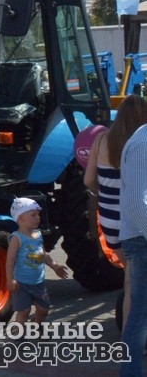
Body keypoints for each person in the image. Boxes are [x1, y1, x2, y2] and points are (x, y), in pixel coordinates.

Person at [84, 94, 147, 330]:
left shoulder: (101, 140)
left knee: (131, 275)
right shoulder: (142, 144)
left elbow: (89, 180)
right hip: (134, 222)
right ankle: (132, 340)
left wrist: (108, 191)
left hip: (110, 222)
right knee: (134, 284)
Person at [6, 197, 68, 326]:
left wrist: (55, 266)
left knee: (44, 309)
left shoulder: (38, 235)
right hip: (21, 284)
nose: (38, 217)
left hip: (38, 283)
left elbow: (43, 254)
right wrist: (10, 279)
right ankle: (19, 337)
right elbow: (10, 260)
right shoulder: (16, 238)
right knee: (24, 311)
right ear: (20, 218)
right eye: (33, 215)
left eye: (38, 214)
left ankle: (36, 325)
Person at [119, 120, 147, 377]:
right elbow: (138, 203)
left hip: (140, 236)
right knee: (139, 315)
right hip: (142, 239)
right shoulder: (143, 143)